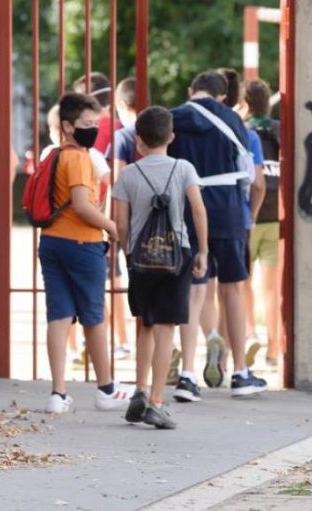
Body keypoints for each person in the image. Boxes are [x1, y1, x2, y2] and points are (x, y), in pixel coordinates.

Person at [168, 70, 268, 401]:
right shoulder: (234, 121)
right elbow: (252, 178)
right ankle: (239, 373)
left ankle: (187, 377)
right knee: (232, 291)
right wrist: (247, 215)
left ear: (191, 90)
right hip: (226, 211)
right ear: (223, 95)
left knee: (193, 292)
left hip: (187, 209)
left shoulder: (173, 118)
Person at [112, 106, 208, 429]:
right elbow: (198, 210)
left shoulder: (126, 175)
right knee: (167, 328)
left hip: (140, 258)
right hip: (175, 256)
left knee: (145, 324)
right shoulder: (183, 168)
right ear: (171, 137)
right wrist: (202, 251)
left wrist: (127, 252)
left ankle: (138, 388)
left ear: (138, 140)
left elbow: (121, 223)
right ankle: (155, 400)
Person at [38, 92, 130, 414]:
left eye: (95, 123)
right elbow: (81, 205)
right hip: (81, 244)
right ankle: (105, 389)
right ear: (67, 125)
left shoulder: (52, 155)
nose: (93, 129)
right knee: (94, 317)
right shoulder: (78, 158)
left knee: (59, 315)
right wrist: (112, 227)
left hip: (51, 241)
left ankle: (58, 393)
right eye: (86, 124)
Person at [73, 73, 130, 358]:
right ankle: (122, 339)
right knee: (117, 281)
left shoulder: (95, 130)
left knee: (98, 281)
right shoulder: (124, 126)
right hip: (128, 212)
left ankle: (108, 341)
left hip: (98, 215)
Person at [244, 78, 281, 367]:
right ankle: (273, 348)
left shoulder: (242, 132)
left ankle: (249, 335)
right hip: (276, 221)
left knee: (241, 284)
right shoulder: (279, 131)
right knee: (271, 291)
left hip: (247, 218)